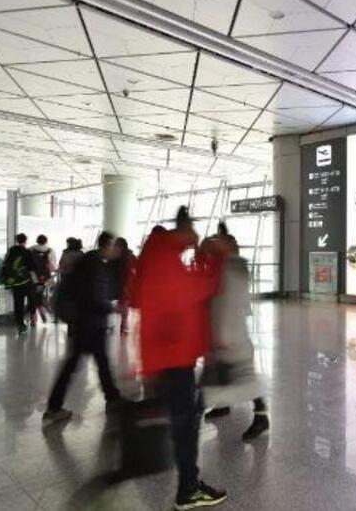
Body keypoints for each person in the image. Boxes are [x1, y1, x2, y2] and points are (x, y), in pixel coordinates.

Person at [132, 206, 227, 510]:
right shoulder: (164, 259)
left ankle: (186, 481)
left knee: (184, 416)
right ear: (181, 229)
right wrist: (216, 258)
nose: (193, 237)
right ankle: (188, 489)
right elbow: (200, 289)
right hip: (174, 358)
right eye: (190, 229)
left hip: (162, 357)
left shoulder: (155, 255)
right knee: (186, 424)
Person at [43, 231, 124, 425]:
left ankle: (112, 398)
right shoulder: (94, 264)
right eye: (114, 246)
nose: (116, 250)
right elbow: (94, 296)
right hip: (89, 324)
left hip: (85, 323)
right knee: (78, 365)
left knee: (94, 363)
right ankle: (54, 407)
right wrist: (111, 308)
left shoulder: (90, 261)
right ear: (107, 245)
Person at [201, 223, 269, 441]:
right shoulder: (227, 266)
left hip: (233, 335)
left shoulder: (234, 268)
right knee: (228, 373)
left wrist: (224, 334)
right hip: (227, 333)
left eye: (219, 241)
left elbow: (232, 304)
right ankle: (223, 405)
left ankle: (261, 416)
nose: (215, 245)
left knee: (245, 378)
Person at [3, 233, 37, 335]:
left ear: (17, 240)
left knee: (18, 304)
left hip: (15, 282)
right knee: (32, 300)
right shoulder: (28, 252)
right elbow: (32, 267)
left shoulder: (11, 252)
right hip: (27, 281)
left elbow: (6, 265)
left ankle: (21, 326)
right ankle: (33, 319)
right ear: (25, 241)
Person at [30, 234, 56, 326]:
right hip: (45, 278)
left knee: (33, 297)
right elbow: (52, 266)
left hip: (33, 277)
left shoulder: (31, 249)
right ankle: (42, 313)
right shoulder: (50, 250)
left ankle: (34, 319)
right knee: (40, 296)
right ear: (46, 241)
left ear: (37, 240)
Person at [113, 237, 137, 334]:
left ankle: (123, 325)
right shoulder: (125, 256)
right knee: (123, 304)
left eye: (117, 245)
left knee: (124, 303)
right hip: (123, 283)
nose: (115, 247)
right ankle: (123, 325)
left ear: (122, 246)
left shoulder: (124, 256)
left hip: (125, 283)